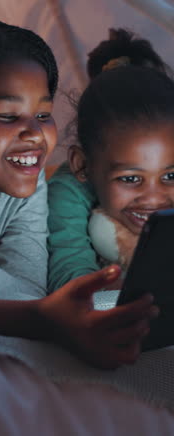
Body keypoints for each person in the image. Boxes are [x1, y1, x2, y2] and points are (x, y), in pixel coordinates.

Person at [0, 18, 156, 370]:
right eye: (8, 116)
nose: (36, 134)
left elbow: (28, 294)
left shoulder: (27, 181)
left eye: (43, 114)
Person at [48, 28, 173, 291]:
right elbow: (72, 283)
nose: (154, 198)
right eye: (130, 178)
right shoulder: (66, 191)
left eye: (170, 176)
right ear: (82, 165)